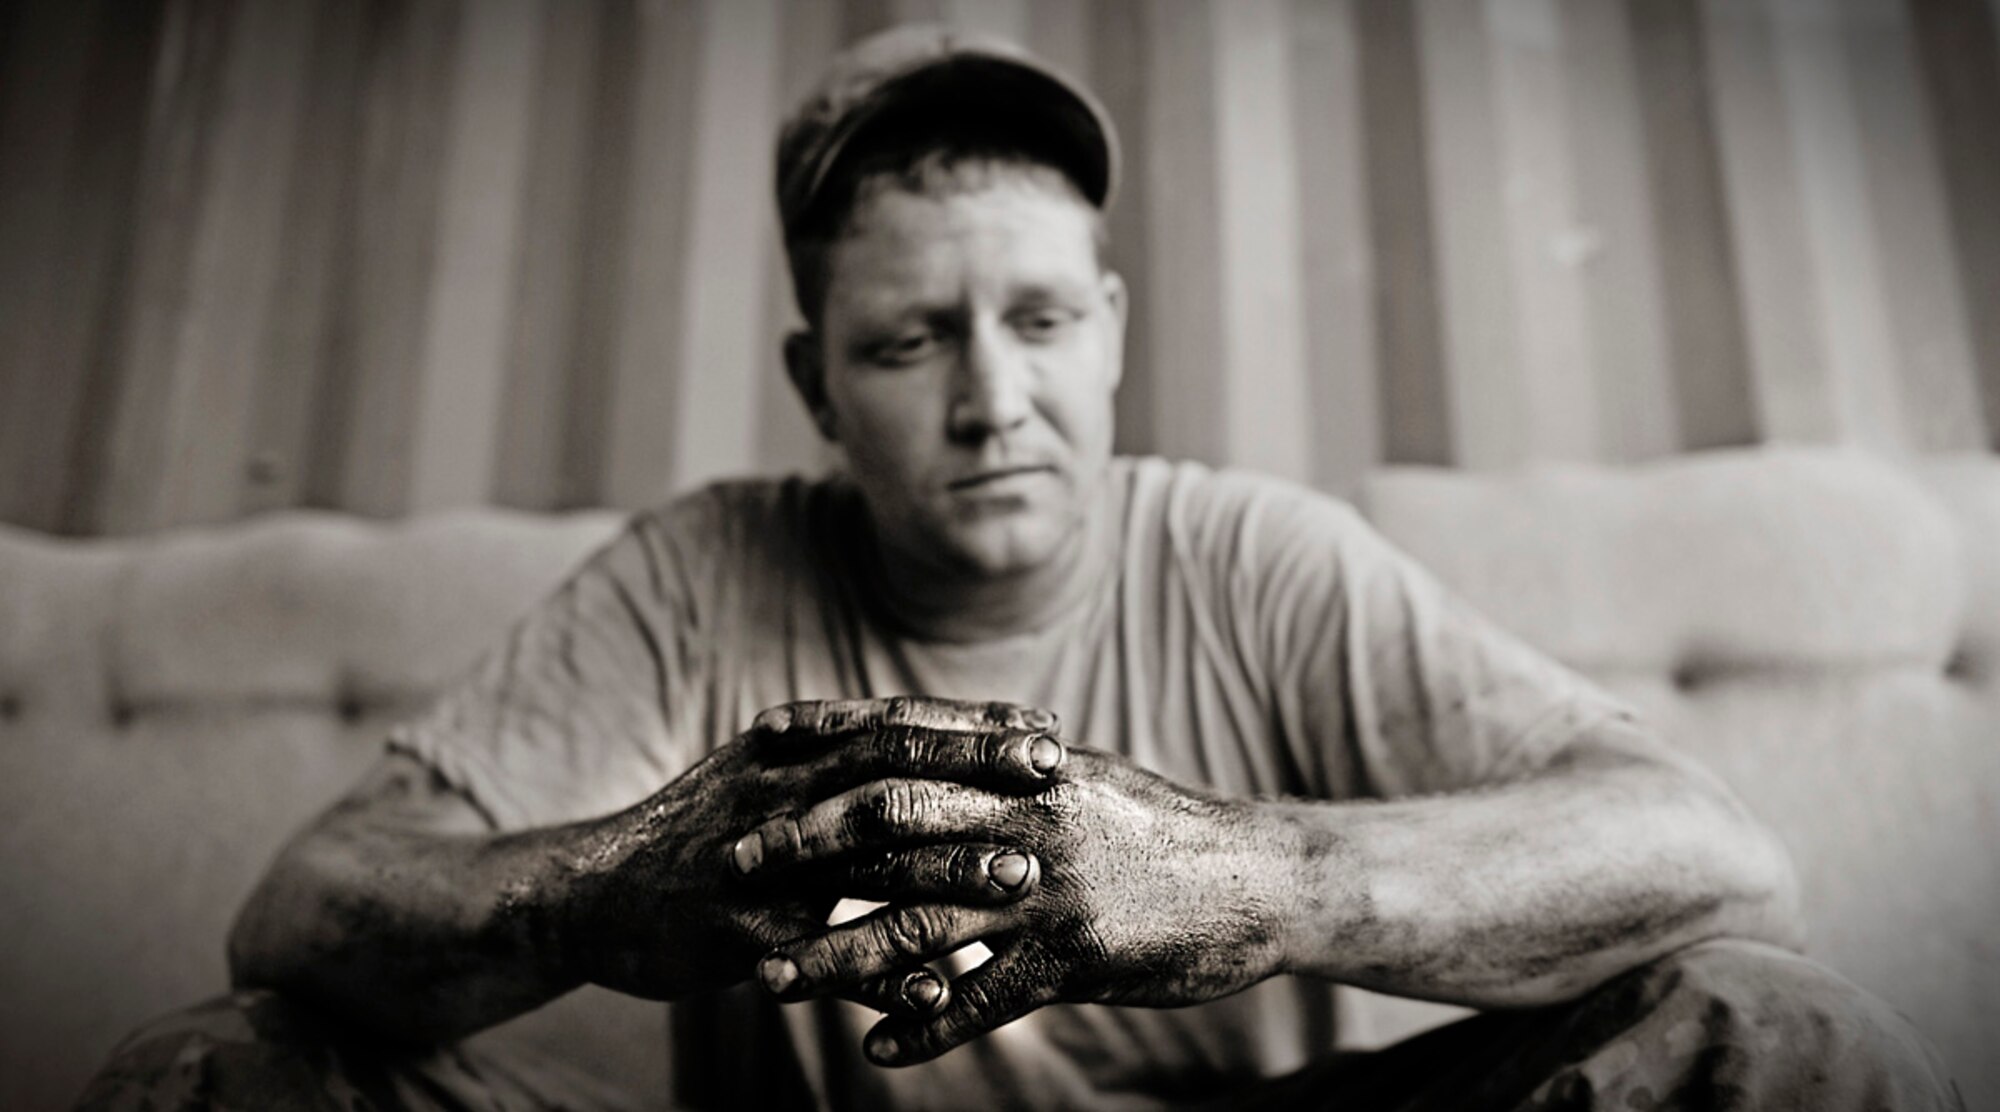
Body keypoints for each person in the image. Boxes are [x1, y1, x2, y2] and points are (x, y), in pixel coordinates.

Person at [83, 24, 1962, 1112]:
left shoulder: (1257, 554)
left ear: (1114, 331)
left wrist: (1262, 874)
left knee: (1774, 1031)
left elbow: (1721, 859)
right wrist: (597, 893)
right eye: (912, 345)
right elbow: (302, 906)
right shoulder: (698, 573)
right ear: (821, 383)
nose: (997, 399)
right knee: (216, 1072)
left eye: (1043, 321)